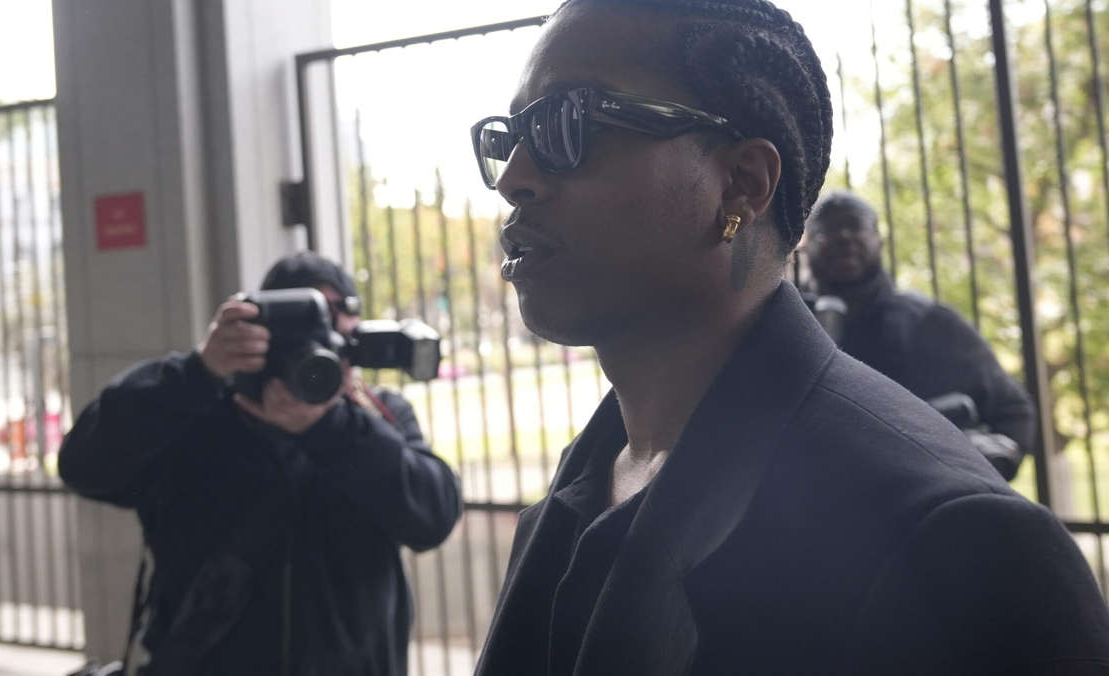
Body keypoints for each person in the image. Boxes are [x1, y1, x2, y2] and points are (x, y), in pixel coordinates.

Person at [467, 0, 1109, 674]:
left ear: (742, 185)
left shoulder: (955, 544)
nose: (513, 180)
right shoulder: (586, 481)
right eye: (510, 138)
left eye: (567, 123)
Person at [58, 251, 461, 676]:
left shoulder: (378, 416)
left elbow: (433, 515)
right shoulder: (195, 414)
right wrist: (197, 373)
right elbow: (84, 465)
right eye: (302, 325)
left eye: (331, 321)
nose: (316, 344)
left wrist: (334, 428)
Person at [802, 191, 1037, 480]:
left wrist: (970, 480)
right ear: (806, 246)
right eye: (827, 230)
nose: (843, 236)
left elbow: (1014, 413)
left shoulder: (931, 321)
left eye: (855, 226)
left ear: (878, 239)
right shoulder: (782, 322)